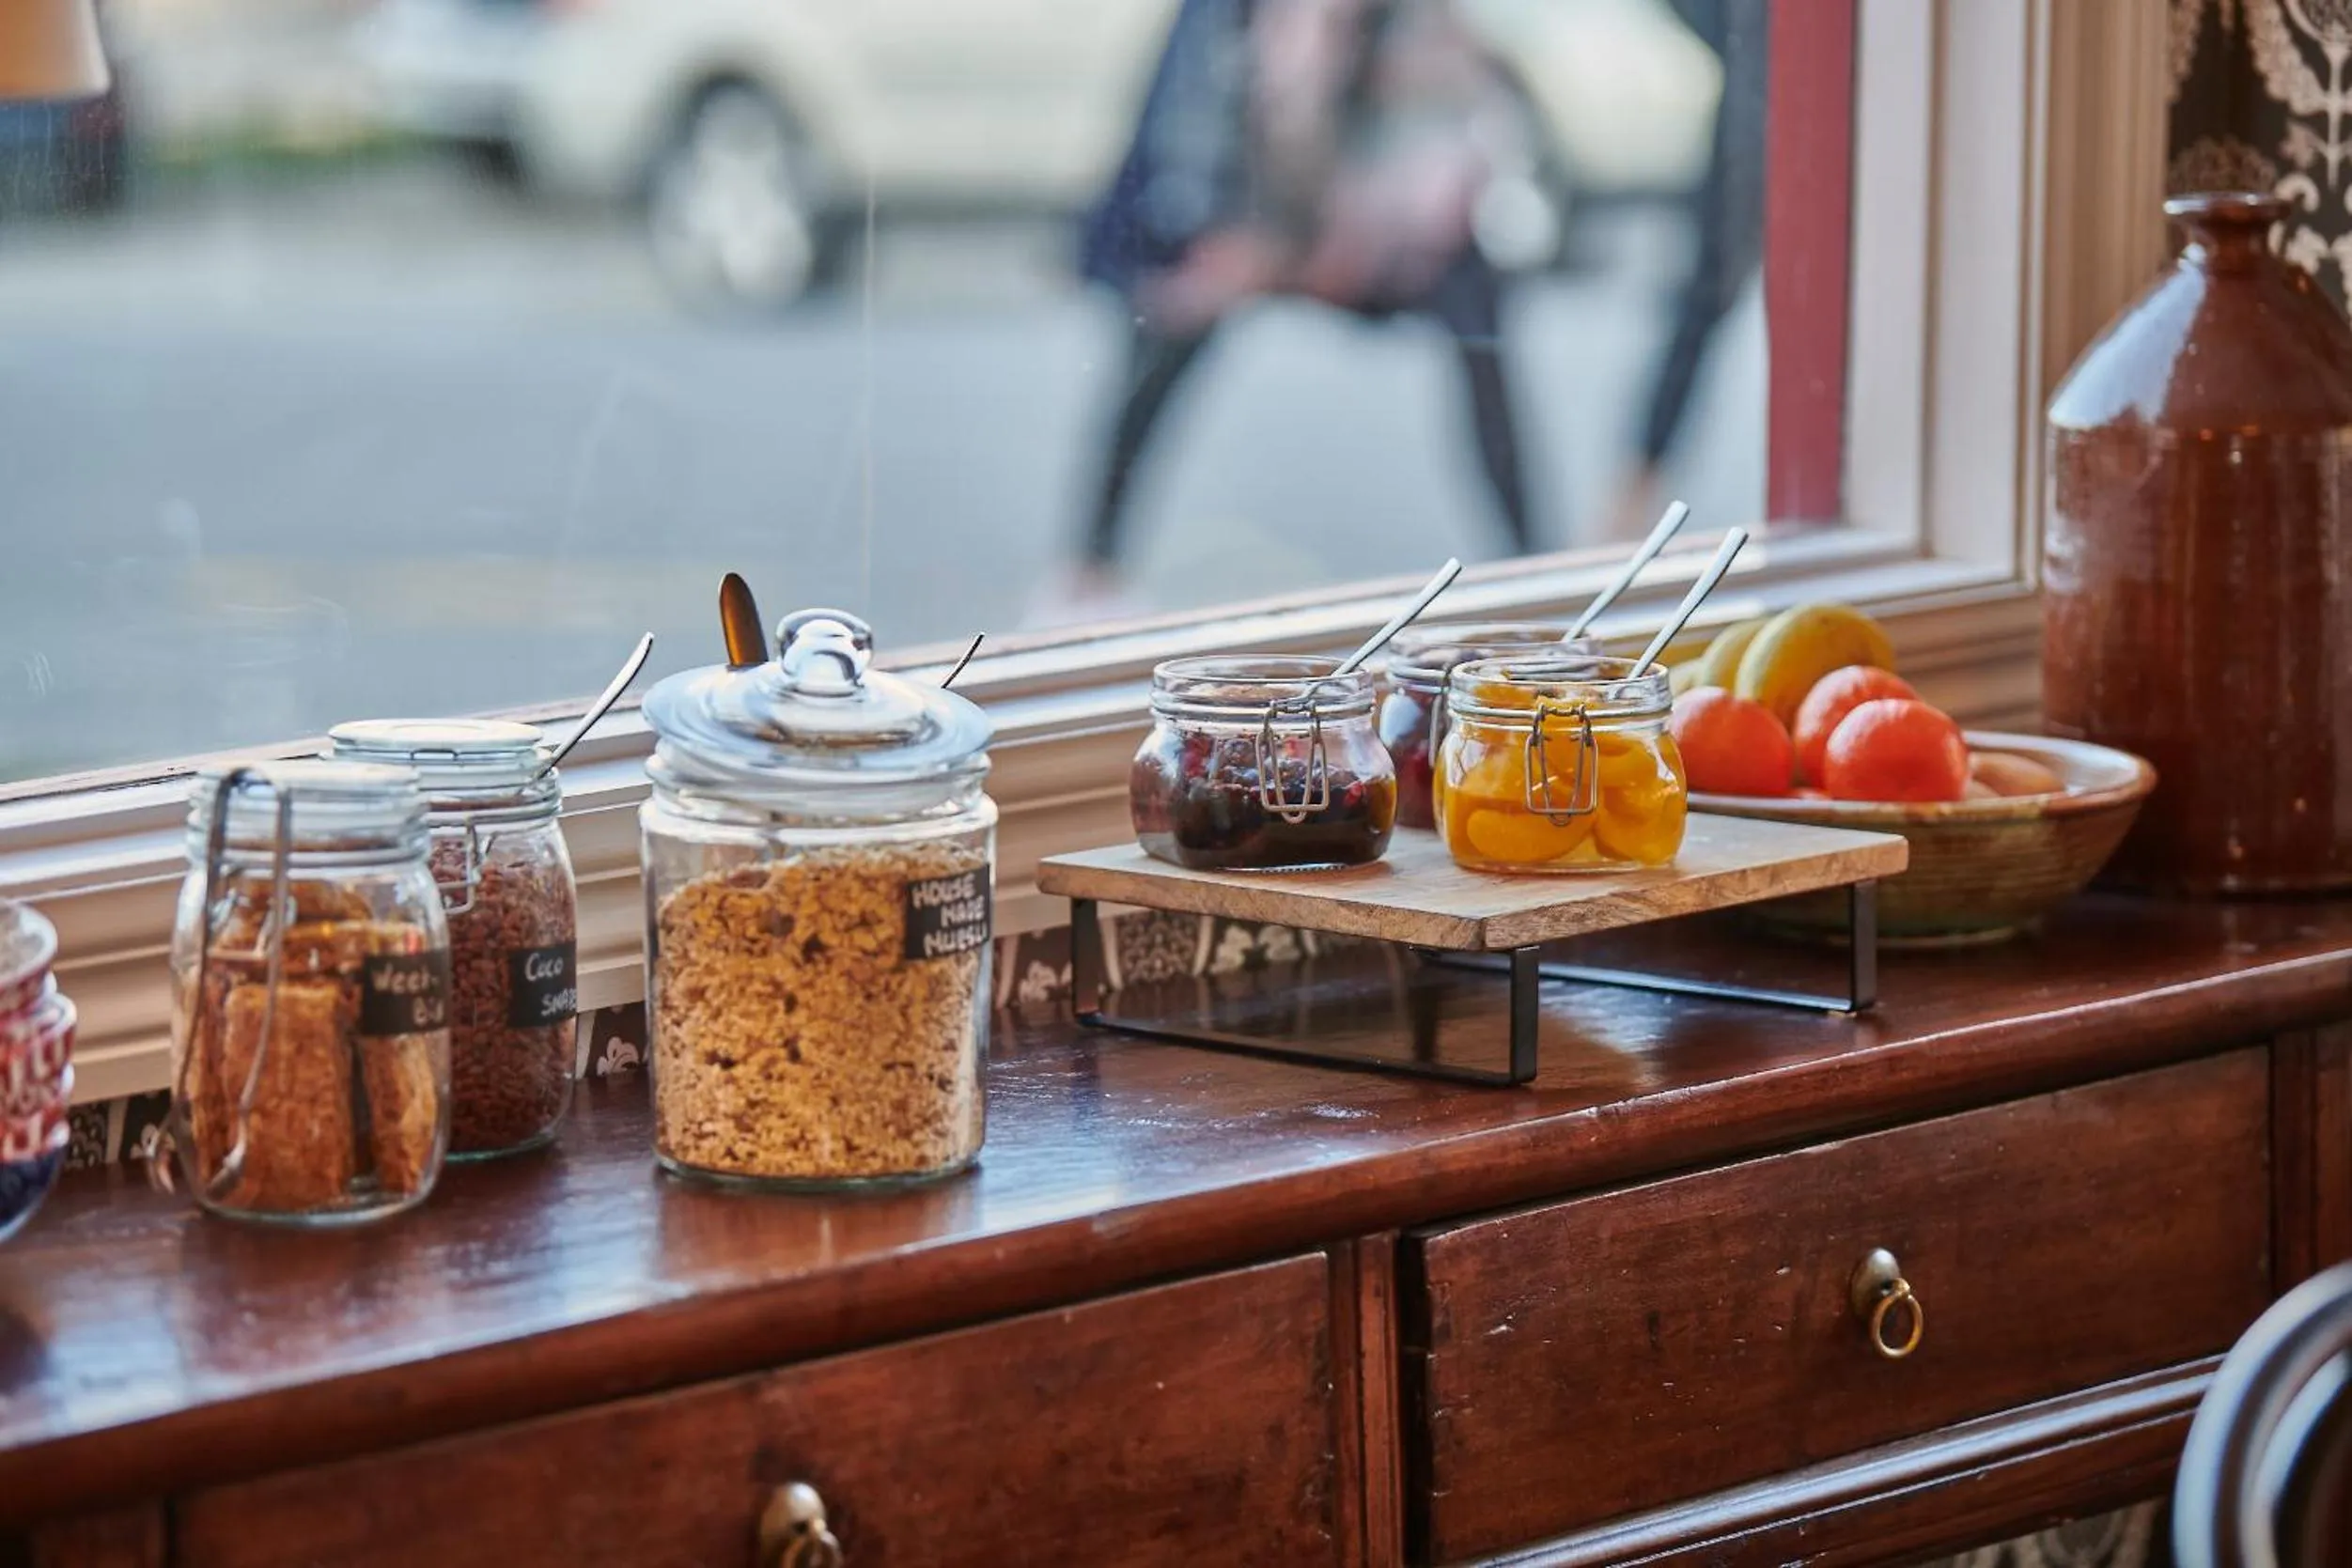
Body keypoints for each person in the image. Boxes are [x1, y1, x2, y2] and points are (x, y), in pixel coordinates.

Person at [1067, 0, 1536, 606]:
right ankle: (1089, 566)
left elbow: (1467, 101)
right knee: (1167, 329)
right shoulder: (1222, 27)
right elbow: (1190, 133)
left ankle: (1532, 561)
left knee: (1478, 323)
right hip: (1251, 199)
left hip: (1377, 201)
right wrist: (1209, 232)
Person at [1608, 0, 1768, 539]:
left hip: (1771, 75)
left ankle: (1636, 491)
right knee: (1706, 294)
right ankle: (1636, 491)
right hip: (1764, 70)